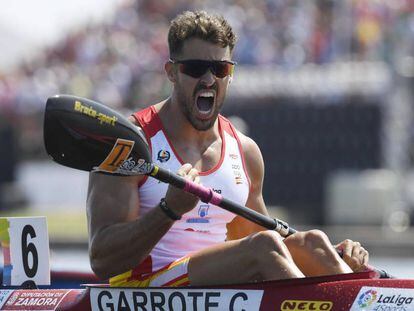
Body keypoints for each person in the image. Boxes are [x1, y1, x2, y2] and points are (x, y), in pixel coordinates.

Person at [86, 10, 369, 287]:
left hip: (211, 281)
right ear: (171, 72)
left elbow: (261, 242)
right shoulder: (131, 143)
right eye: (195, 68)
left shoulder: (244, 151)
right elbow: (103, 261)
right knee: (265, 247)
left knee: (314, 243)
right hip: (144, 286)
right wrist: (168, 210)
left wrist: (336, 257)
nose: (209, 80)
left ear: (230, 73)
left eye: (220, 69)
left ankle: (357, 293)